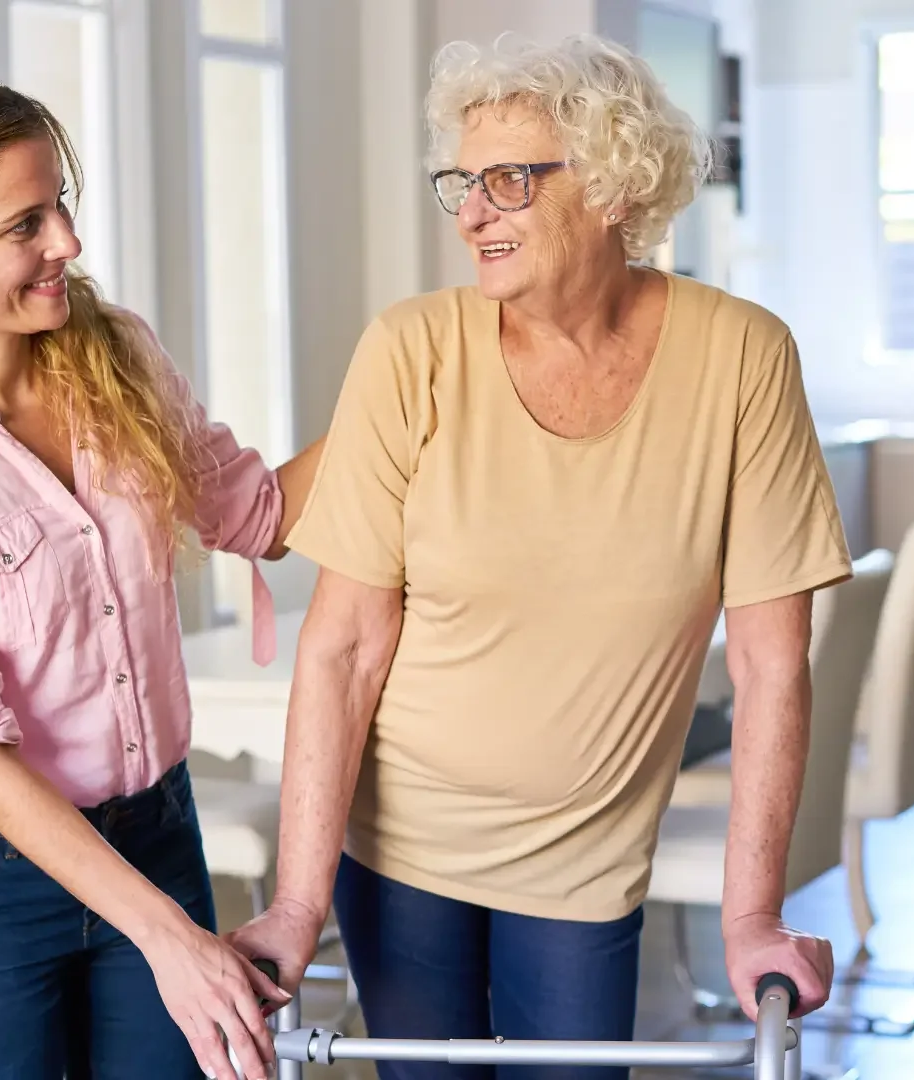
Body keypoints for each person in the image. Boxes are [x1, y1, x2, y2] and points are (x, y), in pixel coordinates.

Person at [229, 34, 851, 1078]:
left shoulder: (743, 357)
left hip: (590, 858)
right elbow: (342, 648)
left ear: (612, 186)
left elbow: (770, 663)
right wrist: (297, 902)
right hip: (400, 846)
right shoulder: (411, 350)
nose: (472, 213)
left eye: (510, 181)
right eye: (463, 183)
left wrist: (752, 915)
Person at [0, 80, 320, 1080]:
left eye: (63, 204)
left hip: (155, 828)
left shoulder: (118, 354)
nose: (67, 242)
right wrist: (170, 936)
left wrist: (426, 380)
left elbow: (254, 513)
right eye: (25, 223)